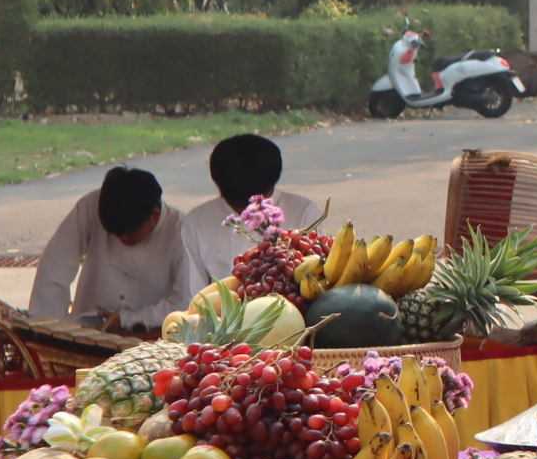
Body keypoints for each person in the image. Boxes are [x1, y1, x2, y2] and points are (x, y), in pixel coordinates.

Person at [30, 166, 187, 334]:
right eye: (113, 234)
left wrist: (127, 319)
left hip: (147, 340)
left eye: (129, 234)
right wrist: (47, 329)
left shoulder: (182, 232)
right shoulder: (91, 205)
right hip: (85, 332)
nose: (122, 239)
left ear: (154, 216)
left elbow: (184, 305)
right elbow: (55, 266)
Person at [177, 134, 322, 299]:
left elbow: (317, 283)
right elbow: (195, 296)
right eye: (241, 206)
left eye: (254, 203)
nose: (248, 211)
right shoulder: (197, 222)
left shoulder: (304, 212)